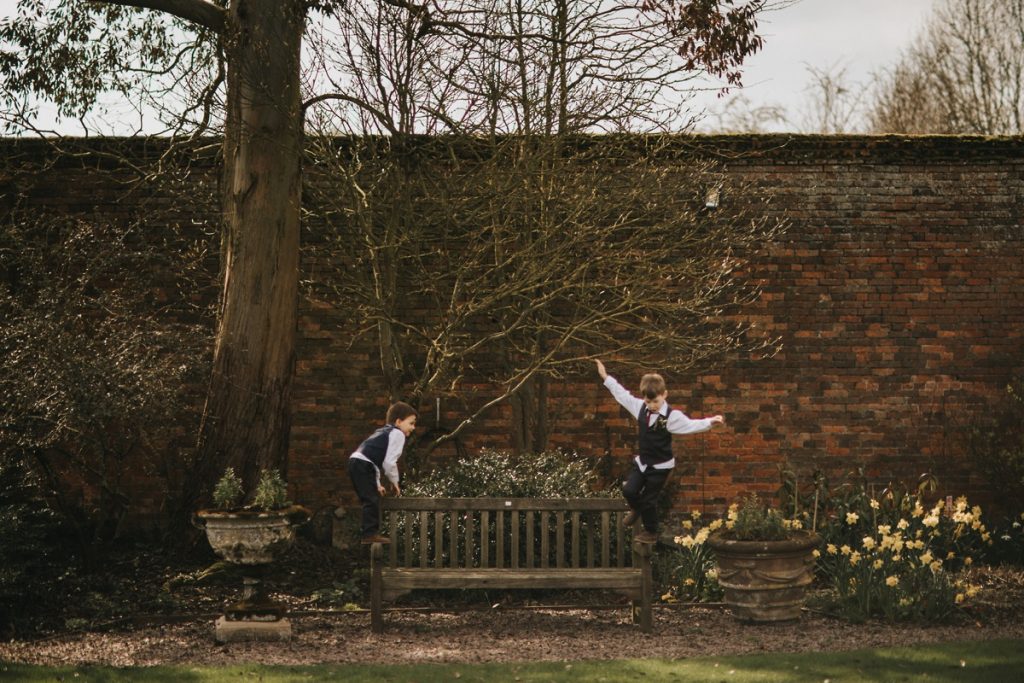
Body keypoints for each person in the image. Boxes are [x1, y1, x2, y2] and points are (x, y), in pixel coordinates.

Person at [595, 359, 724, 544]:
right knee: (629, 490)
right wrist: (606, 377)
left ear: (664, 395)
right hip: (643, 463)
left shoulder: (671, 417)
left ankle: (651, 532)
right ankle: (636, 509)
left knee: (649, 500)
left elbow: (690, 425)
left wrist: (710, 421)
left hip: (661, 466)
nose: (652, 406)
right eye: (648, 402)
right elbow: (622, 395)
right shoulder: (639, 407)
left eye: (655, 401)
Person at [348, 401, 418, 544]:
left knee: (371, 496)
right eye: (411, 423)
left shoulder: (382, 431)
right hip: (363, 464)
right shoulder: (398, 434)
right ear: (398, 422)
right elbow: (389, 463)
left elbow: (374, 461)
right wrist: (395, 482)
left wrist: (377, 484)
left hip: (357, 462)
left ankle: (369, 533)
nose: (413, 427)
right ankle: (369, 534)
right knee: (371, 499)